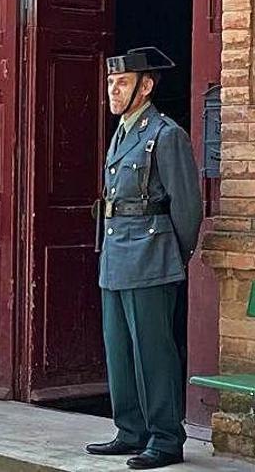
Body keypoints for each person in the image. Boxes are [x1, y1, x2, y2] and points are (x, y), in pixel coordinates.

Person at [86, 47, 202, 470]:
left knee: (153, 351)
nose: (113, 91)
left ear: (145, 86)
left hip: (151, 255)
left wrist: (174, 257)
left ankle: (166, 437)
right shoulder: (122, 130)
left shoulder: (165, 133)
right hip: (117, 254)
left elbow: (187, 208)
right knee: (118, 349)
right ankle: (130, 429)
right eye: (111, 83)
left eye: (121, 83)